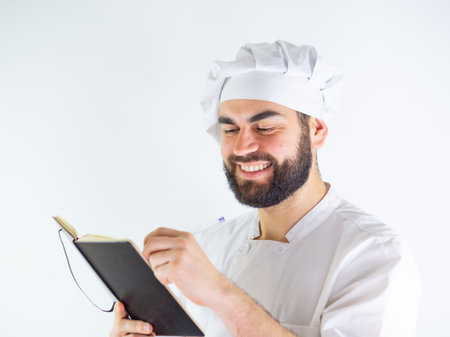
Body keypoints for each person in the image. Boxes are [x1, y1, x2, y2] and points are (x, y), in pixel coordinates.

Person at [109, 40, 420, 337]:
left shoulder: (372, 255)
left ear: (317, 131)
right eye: (230, 129)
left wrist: (219, 291)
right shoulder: (208, 246)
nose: (243, 147)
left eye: (265, 127)